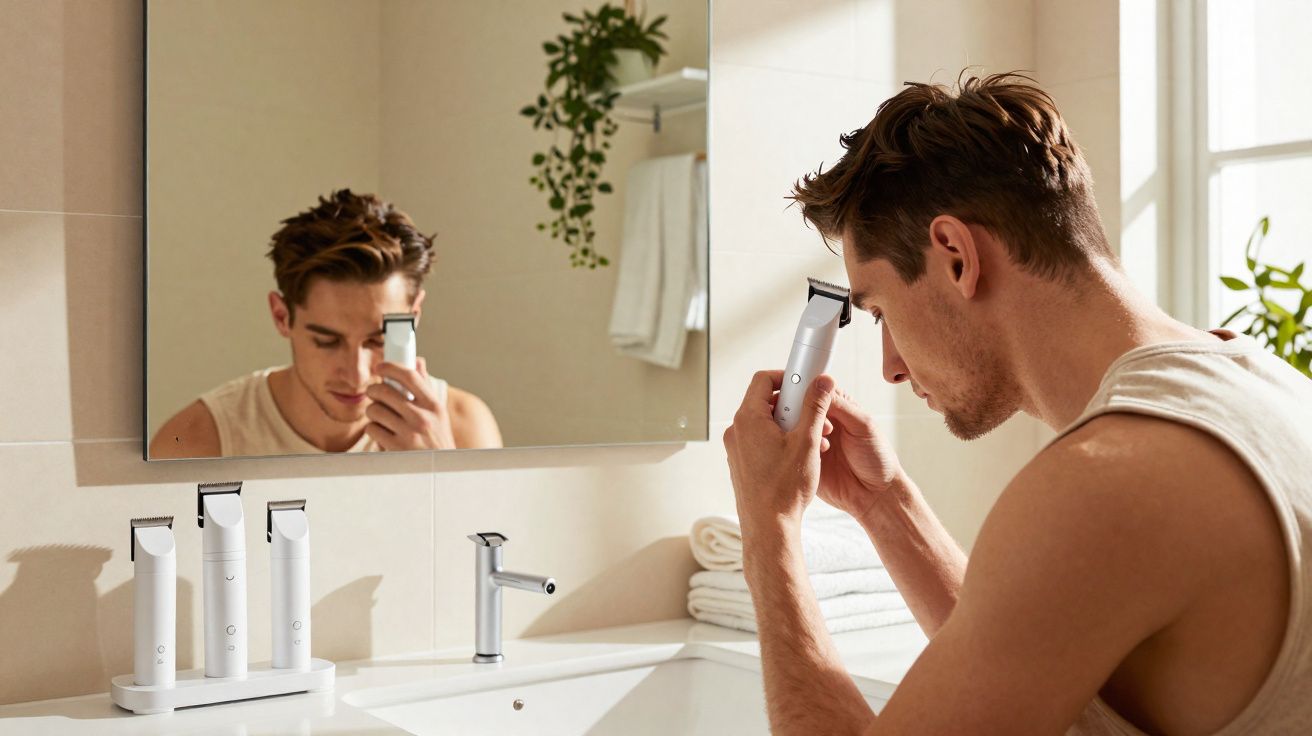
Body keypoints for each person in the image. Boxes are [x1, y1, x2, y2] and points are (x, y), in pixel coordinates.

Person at [722, 72, 1312, 735]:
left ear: (954, 256)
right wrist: (883, 504)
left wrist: (767, 533)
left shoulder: (1105, 484)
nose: (889, 367)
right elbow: (1029, 664)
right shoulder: (1258, 381)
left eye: (880, 310)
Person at [150, 189, 502, 458]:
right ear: (281, 316)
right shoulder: (199, 440)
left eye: (378, 340)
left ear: (414, 317)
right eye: (327, 342)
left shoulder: (463, 428)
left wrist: (441, 473)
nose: (357, 374)